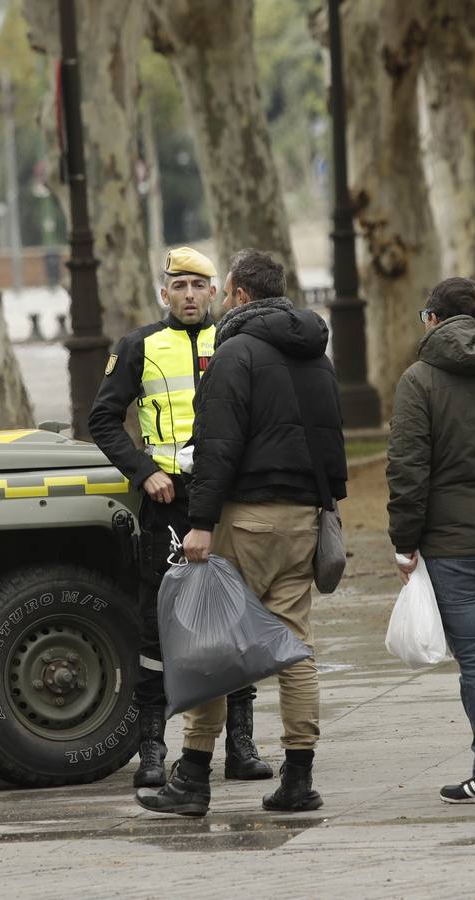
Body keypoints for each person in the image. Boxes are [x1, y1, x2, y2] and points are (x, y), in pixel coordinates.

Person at [137, 248, 346, 817]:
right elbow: (332, 443)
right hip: (304, 517)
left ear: (242, 296)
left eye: (227, 292)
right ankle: (298, 778)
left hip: (245, 518)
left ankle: (193, 777)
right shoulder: (317, 357)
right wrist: (327, 507)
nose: (223, 301)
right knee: (294, 644)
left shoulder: (235, 354)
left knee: (213, 640)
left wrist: (201, 523)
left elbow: (218, 449)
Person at [88, 247, 272, 790]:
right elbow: (102, 418)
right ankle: (151, 749)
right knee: (158, 624)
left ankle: (240, 744)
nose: (189, 295)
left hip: (230, 500)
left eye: (199, 285)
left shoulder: (239, 343)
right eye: (179, 286)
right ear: (163, 293)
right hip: (167, 501)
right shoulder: (139, 346)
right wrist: (143, 471)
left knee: (238, 618)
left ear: (217, 292)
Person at [387, 276, 475, 804]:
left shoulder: (419, 381)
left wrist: (404, 543)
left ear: (432, 319)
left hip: (452, 546)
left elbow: (408, 470)